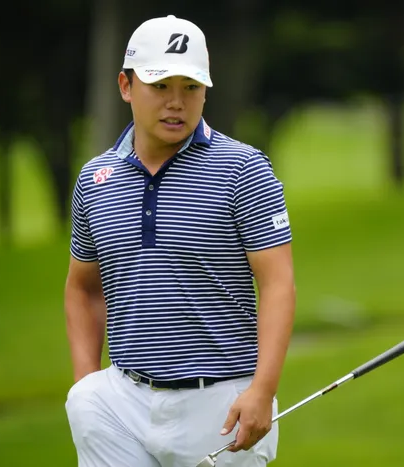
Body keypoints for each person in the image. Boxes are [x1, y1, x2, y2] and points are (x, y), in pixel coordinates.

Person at [64, 14, 296, 467]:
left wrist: (262, 389)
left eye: (190, 87)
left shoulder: (243, 170)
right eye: (160, 85)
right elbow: (84, 289)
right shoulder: (95, 180)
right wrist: (85, 386)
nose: (176, 102)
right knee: (88, 397)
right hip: (123, 400)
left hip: (221, 404)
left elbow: (277, 284)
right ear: (126, 86)